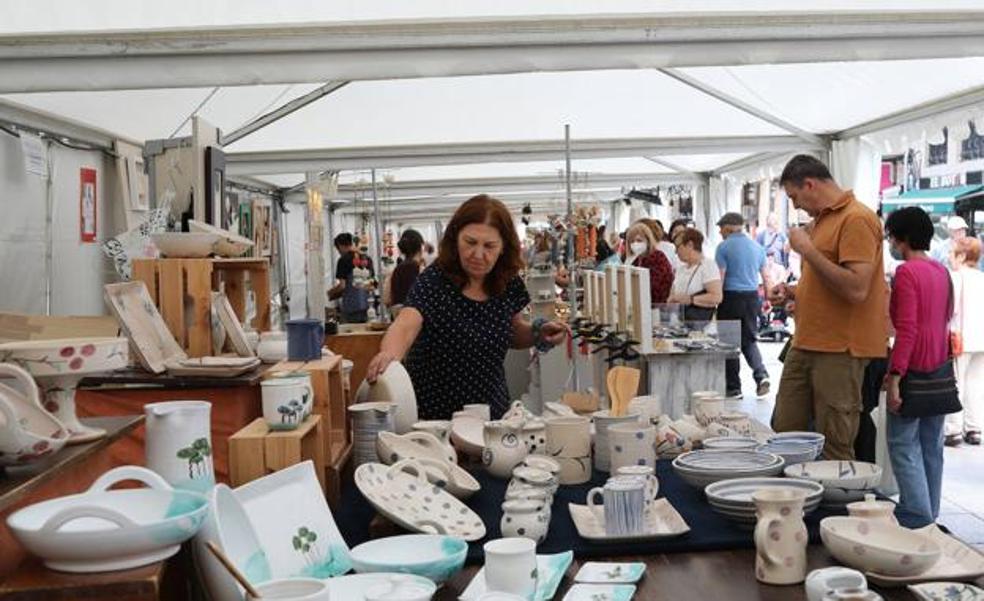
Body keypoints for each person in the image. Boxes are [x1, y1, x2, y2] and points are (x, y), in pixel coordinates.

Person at [365, 195, 568, 420]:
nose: (478, 254)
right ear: (455, 239)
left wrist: (538, 332)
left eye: (489, 246)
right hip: (435, 421)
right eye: (470, 242)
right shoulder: (435, 281)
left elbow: (512, 332)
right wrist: (389, 355)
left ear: (503, 247)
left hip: (492, 416)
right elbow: (406, 325)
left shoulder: (508, 283)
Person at [769, 155, 888, 461]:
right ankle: (792, 500)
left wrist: (808, 251)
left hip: (839, 348)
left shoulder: (856, 218)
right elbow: (827, 282)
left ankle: (837, 505)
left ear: (810, 184)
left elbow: (857, 288)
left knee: (835, 441)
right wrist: (794, 290)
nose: (796, 206)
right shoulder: (823, 220)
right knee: (784, 431)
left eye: (795, 197)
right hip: (806, 341)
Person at [884, 207, 951, 528]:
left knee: (902, 445)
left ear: (902, 238)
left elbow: (907, 329)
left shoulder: (906, 273)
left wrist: (895, 376)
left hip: (913, 366)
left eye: (892, 236)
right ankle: (930, 515)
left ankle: (916, 516)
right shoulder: (941, 270)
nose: (891, 242)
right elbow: (944, 318)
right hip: (940, 367)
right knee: (931, 447)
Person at [715, 212, 772, 398]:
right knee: (749, 340)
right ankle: (761, 374)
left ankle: (733, 388)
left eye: (721, 229)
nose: (720, 233)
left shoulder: (723, 248)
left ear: (728, 228)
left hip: (730, 298)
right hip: (752, 297)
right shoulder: (757, 247)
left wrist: (715, 301)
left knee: (729, 343)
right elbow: (766, 276)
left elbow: (720, 277)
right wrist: (768, 299)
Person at [946, 237, 984, 446]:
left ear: (961, 256)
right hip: (981, 338)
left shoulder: (956, 277)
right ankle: (974, 428)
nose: (950, 257)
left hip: (961, 337)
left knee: (956, 383)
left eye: (952, 253)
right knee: (977, 384)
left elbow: (952, 309)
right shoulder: (982, 278)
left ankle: (953, 430)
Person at [668, 228, 722, 322]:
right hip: (679, 321)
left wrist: (691, 299)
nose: (676, 252)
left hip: (699, 324)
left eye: (678, 247)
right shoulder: (681, 269)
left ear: (690, 245)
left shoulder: (707, 266)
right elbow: (672, 294)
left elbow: (716, 297)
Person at [329, 233, 375, 323]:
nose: (339, 252)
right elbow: (372, 283)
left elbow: (342, 286)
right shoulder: (367, 258)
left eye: (338, 249)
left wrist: (331, 293)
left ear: (341, 246)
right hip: (368, 305)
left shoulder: (342, 260)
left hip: (352, 307)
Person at [624, 222, 674, 303]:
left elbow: (655, 286)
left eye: (639, 240)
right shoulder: (636, 260)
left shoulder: (658, 257)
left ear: (648, 240)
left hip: (657, 306)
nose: (635, 244)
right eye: (632, 241)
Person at [384, 229, 425, 309]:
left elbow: (386, 299)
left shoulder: (395, 270)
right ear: (420, 247)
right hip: (416, 316)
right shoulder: (420, 270)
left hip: (398, 315)